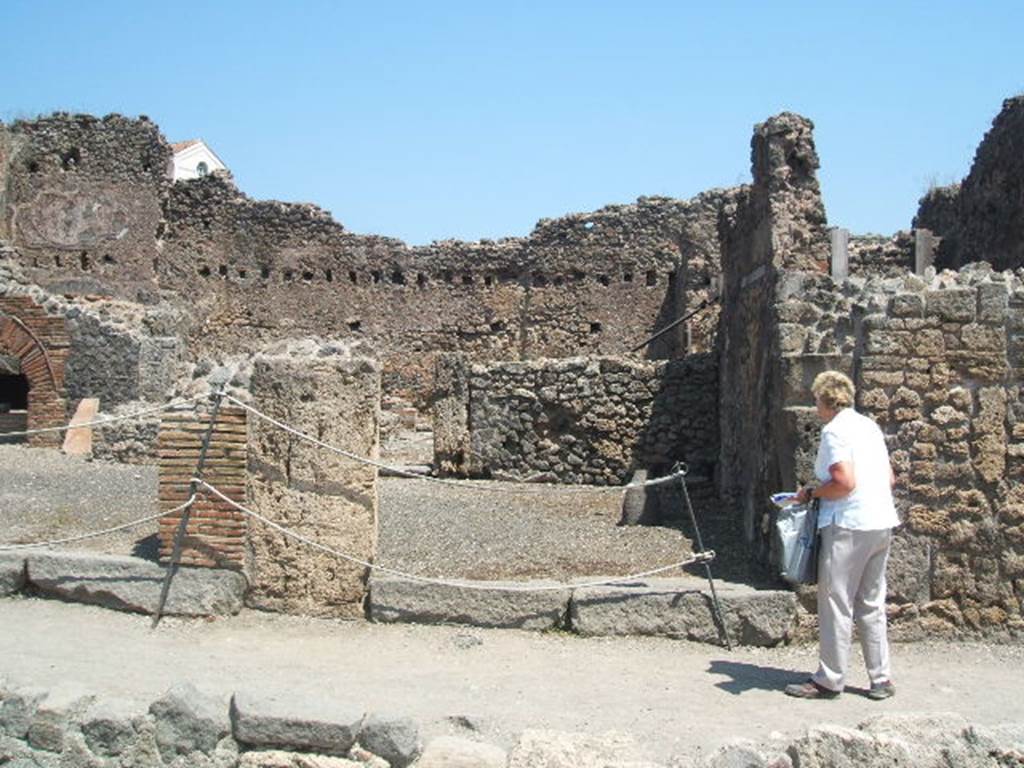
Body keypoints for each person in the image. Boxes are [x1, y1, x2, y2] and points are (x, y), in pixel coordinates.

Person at [784, 370, 899, 700]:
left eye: (816, 400)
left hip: (848, 524)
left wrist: (812, 493)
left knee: (836, 601)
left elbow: (844, 482)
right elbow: (888, 478)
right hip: (880, 520)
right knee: (871, 601)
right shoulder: (869, 427)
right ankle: (881, 678)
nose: (815, 406)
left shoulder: (834, 431)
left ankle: (829, 678)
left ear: (825, 400)